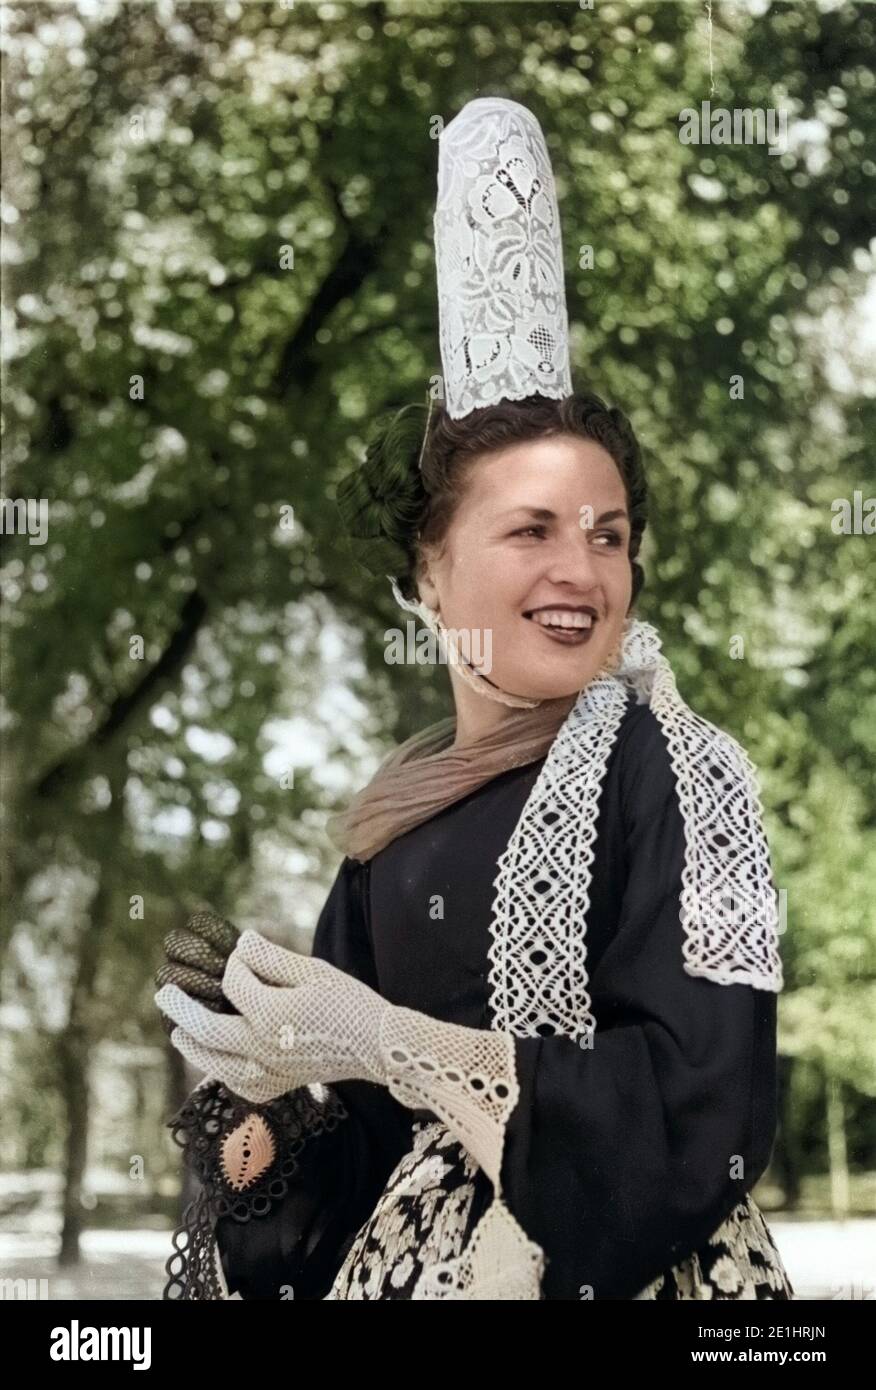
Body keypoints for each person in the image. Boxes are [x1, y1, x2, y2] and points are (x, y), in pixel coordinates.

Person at [155, 98, 794, 1301]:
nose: (583, 569)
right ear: (429, 572)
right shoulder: (393, 820)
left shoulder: (675, 770)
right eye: (533, 529)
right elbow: (354, 1164)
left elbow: (704, 1106)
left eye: (609, 534)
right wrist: (265, 1116)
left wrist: (397, 1044)